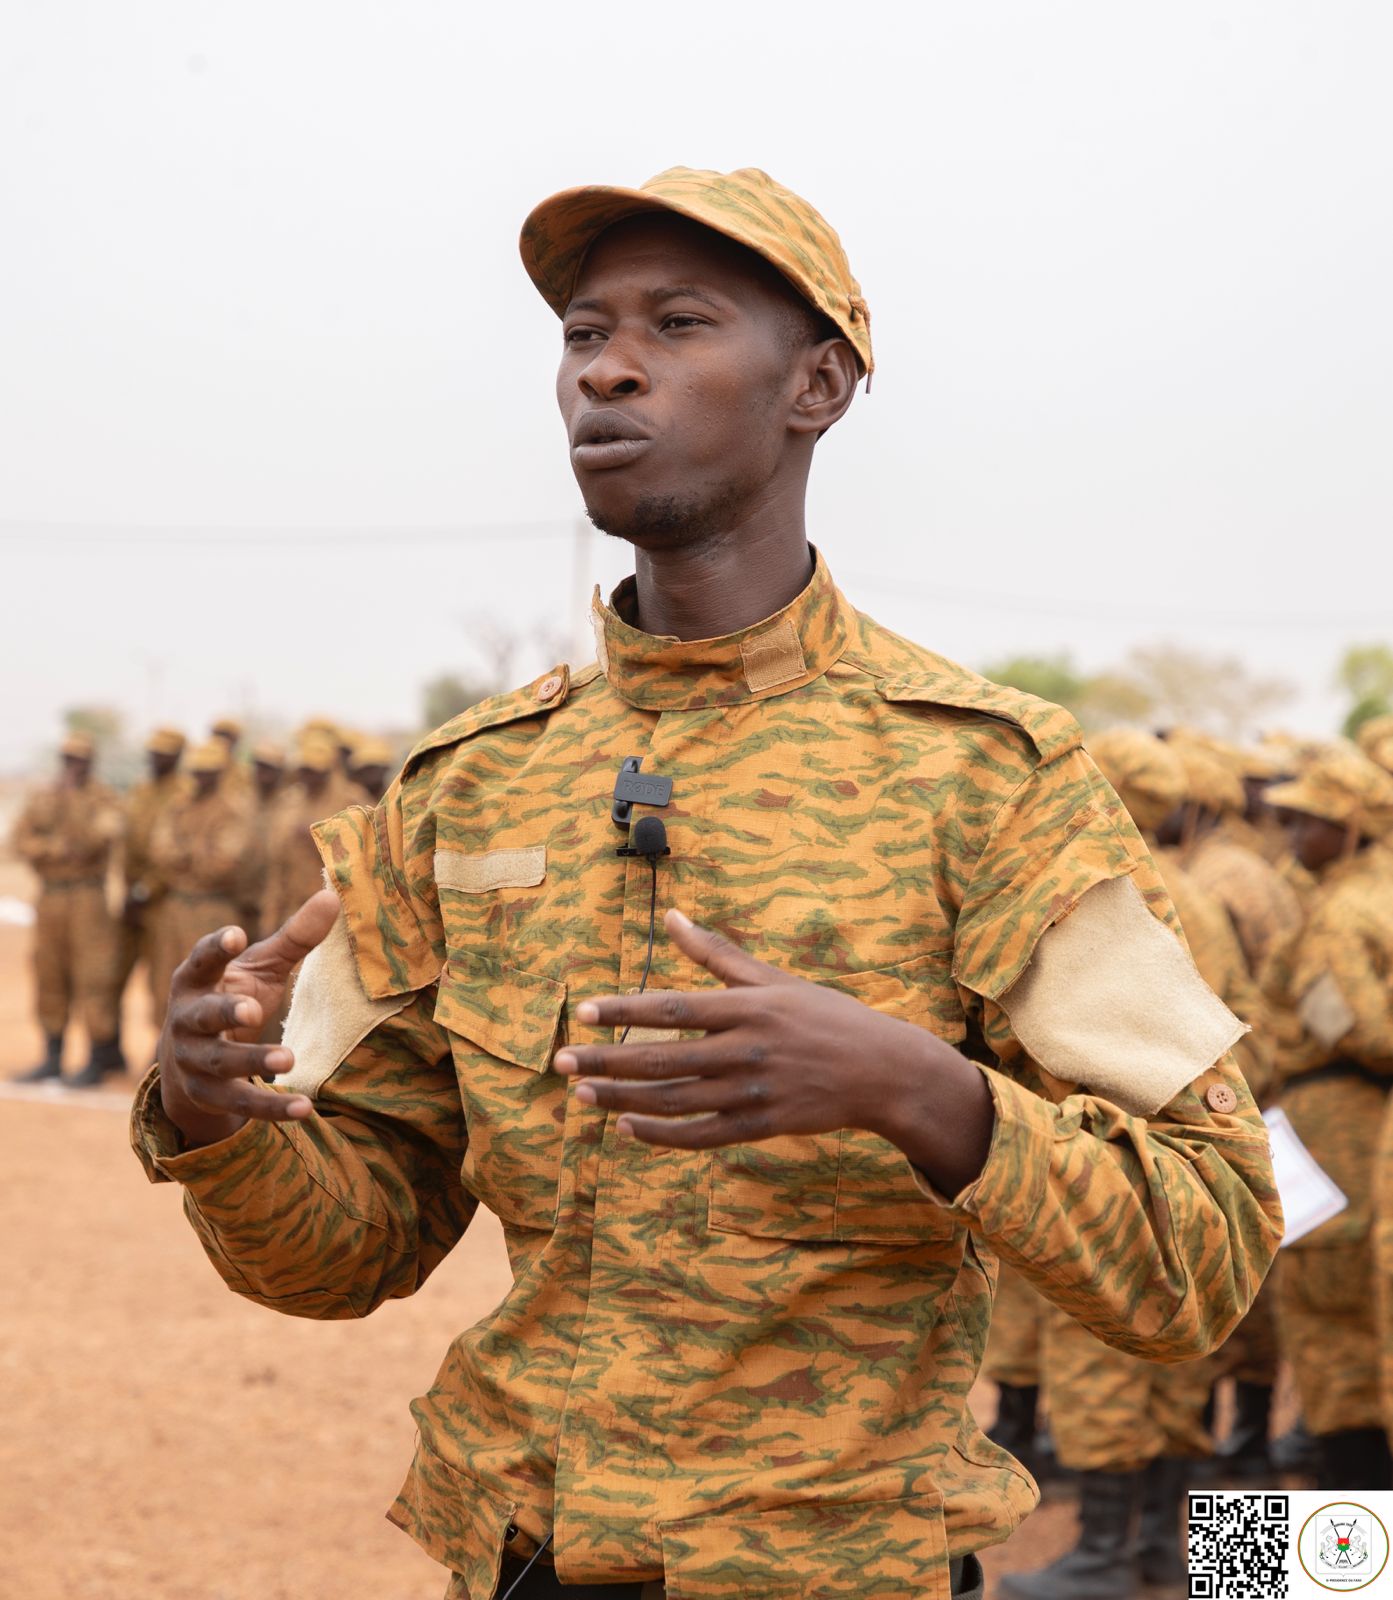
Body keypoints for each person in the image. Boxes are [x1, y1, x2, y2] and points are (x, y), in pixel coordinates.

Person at [132, 167, 1280, 1600]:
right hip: (524, 1555)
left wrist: (918, 1091)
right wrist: (216, 1113)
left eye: (677, 324)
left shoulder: (991, 781)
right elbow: (344, 1253)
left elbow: (1210, 1252)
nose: (606, 367)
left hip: (843, 1568)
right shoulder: (465, 786)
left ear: (818, 384)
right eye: (579, 333)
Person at [1000, 728, 1274, 1599]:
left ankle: (1106, 1554)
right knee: (1186, 1364)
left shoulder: (1096, 896)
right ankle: (1185, 1555)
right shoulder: (1189, 887)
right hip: (1199, 1148)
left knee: (1097, 1355)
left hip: (1110, 1145)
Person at [1262, 744, 1393, 1491]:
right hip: (1355, 1123)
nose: (1291, 836)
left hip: (1339, 1125)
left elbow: (1356, 1028)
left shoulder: (1342, 911)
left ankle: (1340, 1566)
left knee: (1328, 1333)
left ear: (1350, 828)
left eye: (1308, 821)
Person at [12, 731, 125, 1086]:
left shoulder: (103, 799)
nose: (72, 766)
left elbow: (96, 837)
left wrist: (72, 806)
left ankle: (97, 1057)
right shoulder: (43, 796)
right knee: (50, 974)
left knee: (93, 977)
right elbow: (19, 841)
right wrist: (56, 849)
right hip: (51, 897)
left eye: (79, 760)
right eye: (68, 759)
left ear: (90, 762)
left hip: (87, 897)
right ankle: (53, 1055)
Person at [147, 740, 253, 1015]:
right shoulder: (178, 807)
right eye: (196, 771)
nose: (200, 777)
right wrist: (195, 851)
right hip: (175, 906)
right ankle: (168, 1047)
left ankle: (210, 1050)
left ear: (220, 773)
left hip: (213, 908)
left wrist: (186, 852)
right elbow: (158, 850)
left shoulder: (233, 810)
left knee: (212, 982)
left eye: (207, 771)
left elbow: (221, 863)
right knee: (166, 982)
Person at [115, 727, 187, 1032]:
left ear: (177, 756)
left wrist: (146, 890)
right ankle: (106, 1047)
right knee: (111, 972)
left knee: (163, 978)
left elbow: (172, 855)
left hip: (163, 899)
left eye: (164, 753)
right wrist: (130, 890)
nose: (156, 758)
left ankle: (162, 1050)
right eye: (154, 752)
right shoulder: (140, 792)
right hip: (133, 896)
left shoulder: (183, 794)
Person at [236, 740, 285, 940]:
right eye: (259, 766)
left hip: (275, 901)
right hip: (240, 899)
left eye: (269, 767)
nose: (262, 772)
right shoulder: (240, 802)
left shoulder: (290, 804)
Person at [348, 734, 394, 803]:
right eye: (367, 769)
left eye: (375, 768)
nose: (371, 775)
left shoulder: (393, 792)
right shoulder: (351, 795)